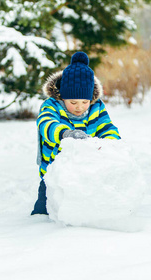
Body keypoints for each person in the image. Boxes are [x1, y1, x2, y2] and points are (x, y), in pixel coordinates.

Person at [31, 51, 121, 215]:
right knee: (44, 210)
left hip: (82, 170)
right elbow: (45, 123)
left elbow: (107, 127)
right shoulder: (52, 105)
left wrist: (113, 144)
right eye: (73, 102)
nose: (79, 107)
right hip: (53, 171)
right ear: (63, 97)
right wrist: (64, 134)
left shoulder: (96, 107)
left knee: (78, 207)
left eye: (84, 102)